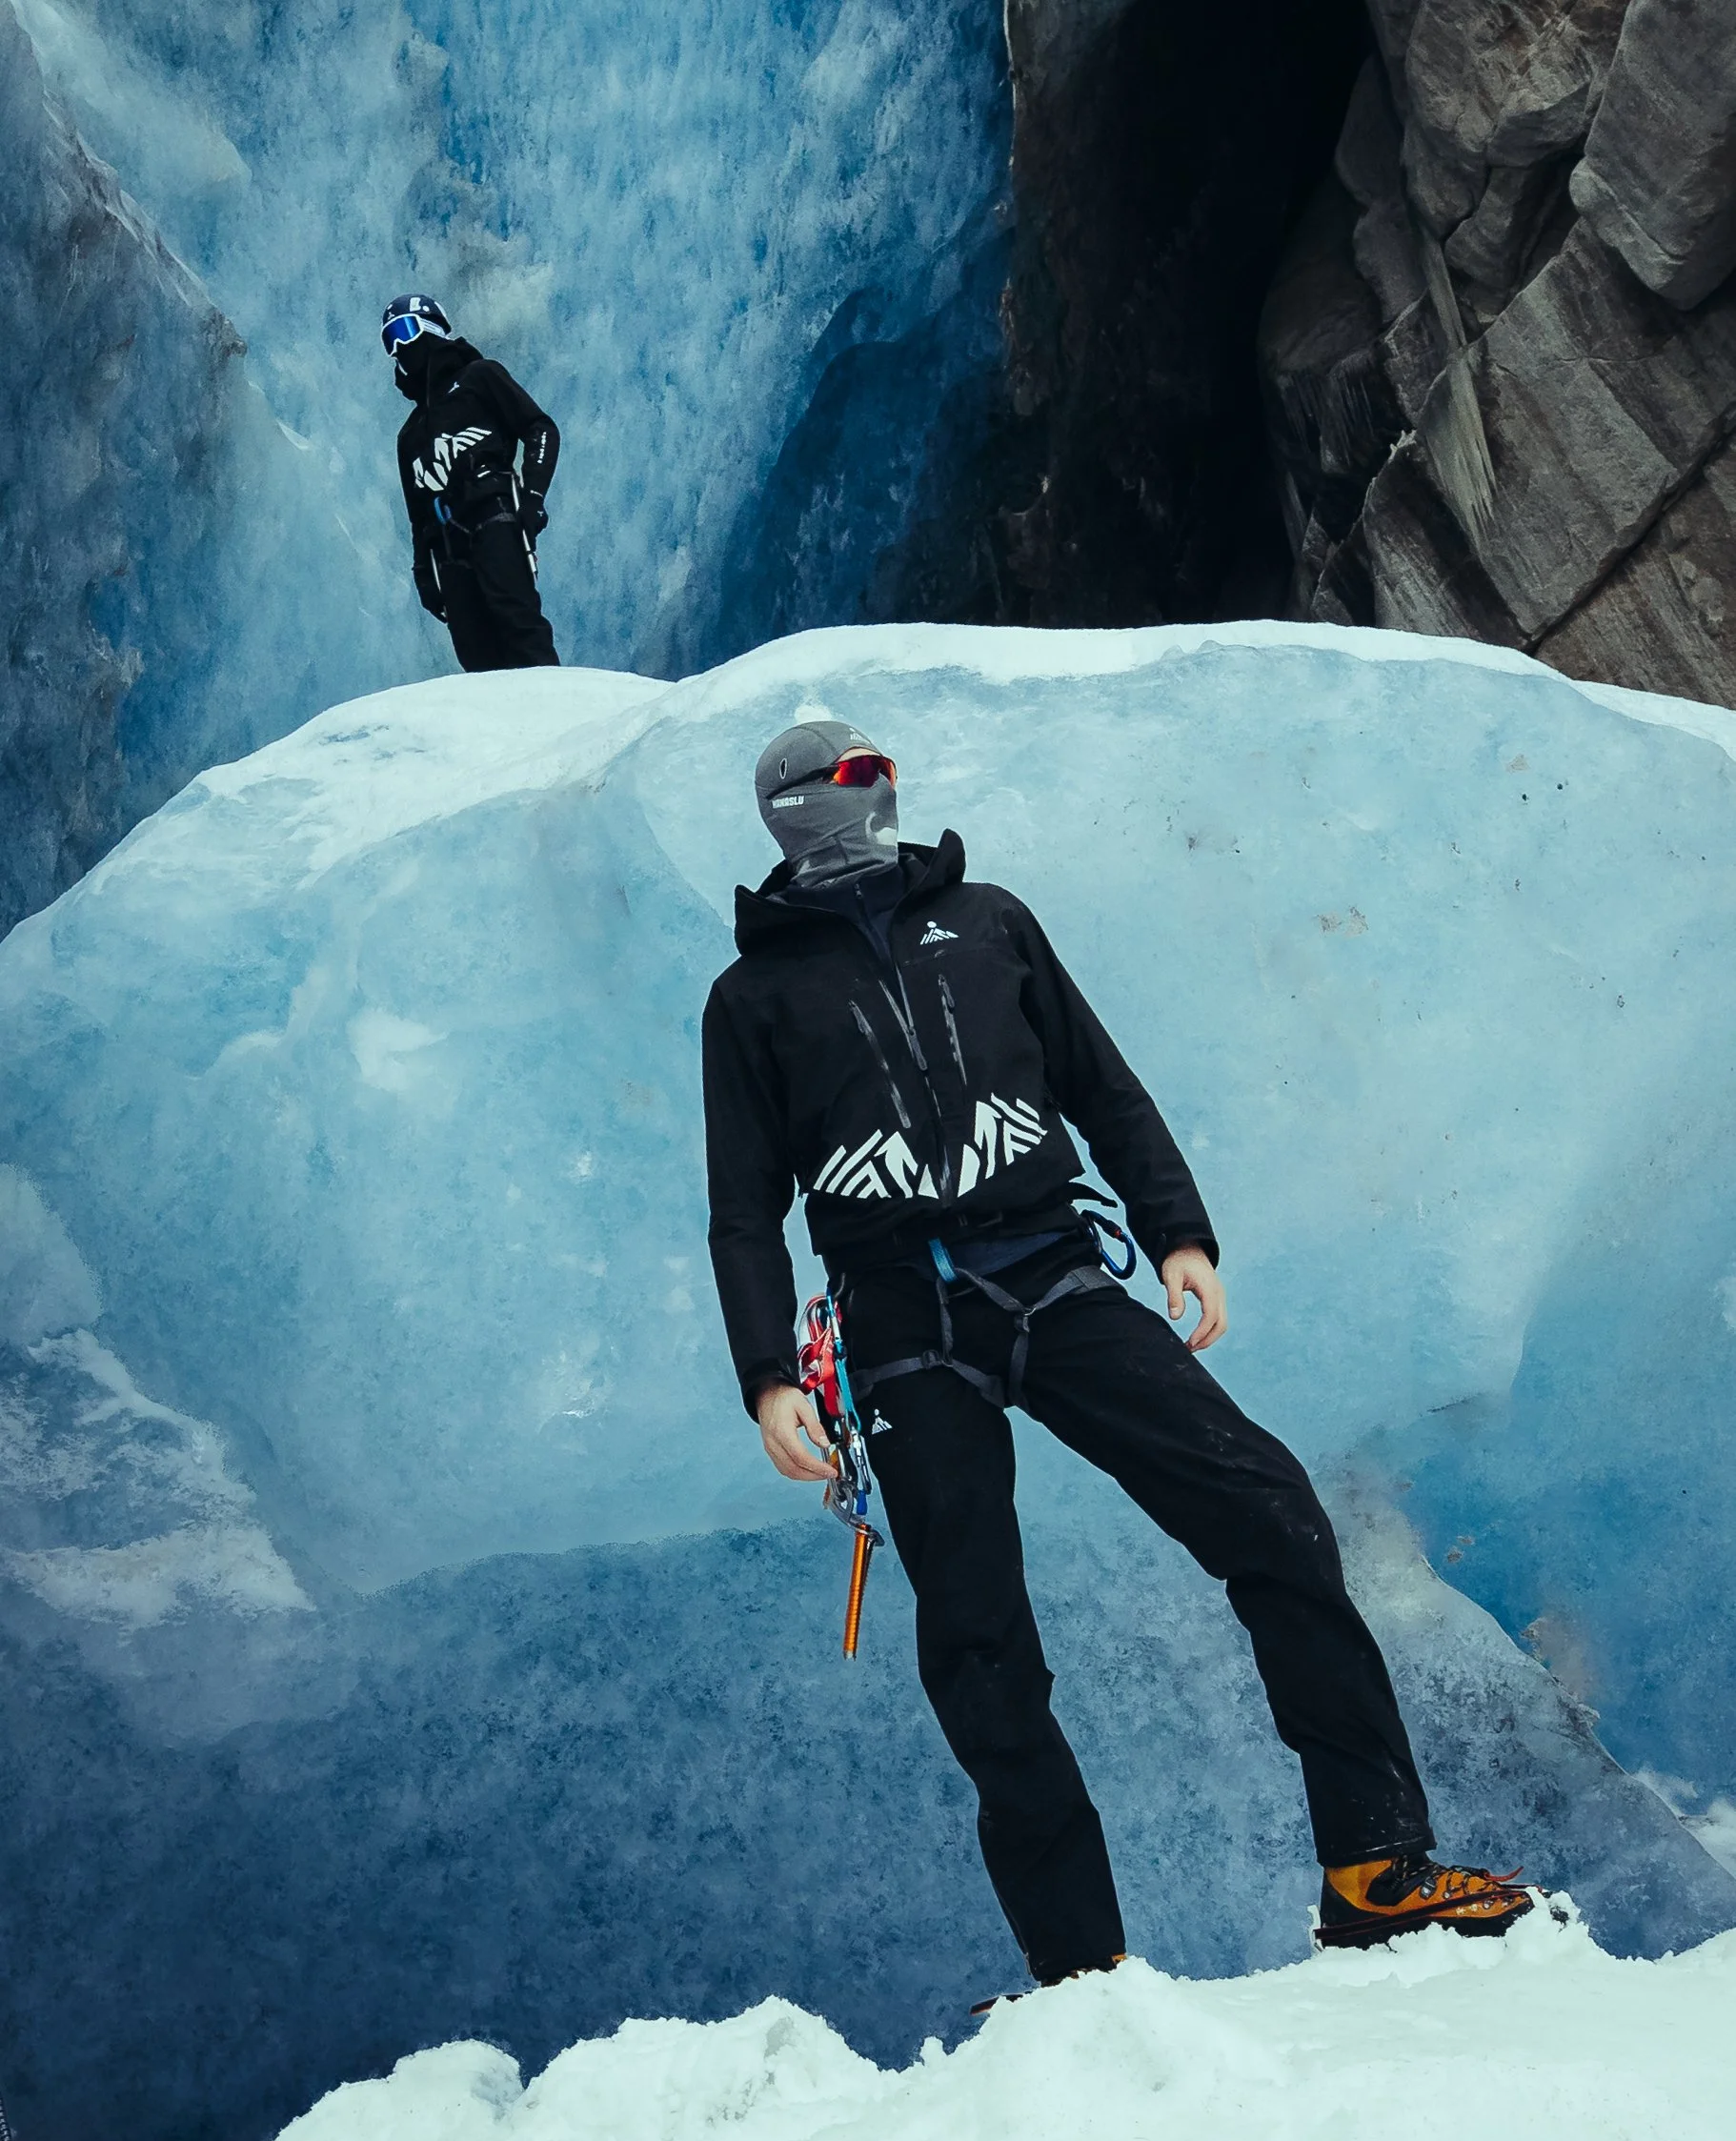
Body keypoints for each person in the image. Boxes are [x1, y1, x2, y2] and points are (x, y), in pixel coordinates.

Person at [701, 712, 1538, 1986]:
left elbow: (1099, 1085)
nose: (882, 789)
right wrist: (767, 1371)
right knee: (980, 1641)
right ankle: (1081, 1977)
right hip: (900, 1330)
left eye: (883, 769)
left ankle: (1374, 1868)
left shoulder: (989, 921)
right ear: (803, 805)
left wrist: (1176, 1231)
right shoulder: (751, 997)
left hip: (1052, 1275)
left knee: (1266, 1506)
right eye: (858, 776)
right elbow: (742, 1206)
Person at [382, 293, 561, 672]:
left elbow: (539, 428)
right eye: (389, 340)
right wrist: (422, 574)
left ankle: (555, 716)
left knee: (519, 625)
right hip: (446, 550)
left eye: (404, 331)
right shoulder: (409, 437)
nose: (398, 348)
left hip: (493, 519)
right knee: (475, 655)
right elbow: (417, 517)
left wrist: (533, 497)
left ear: (432, 328)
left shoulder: (479, 378)